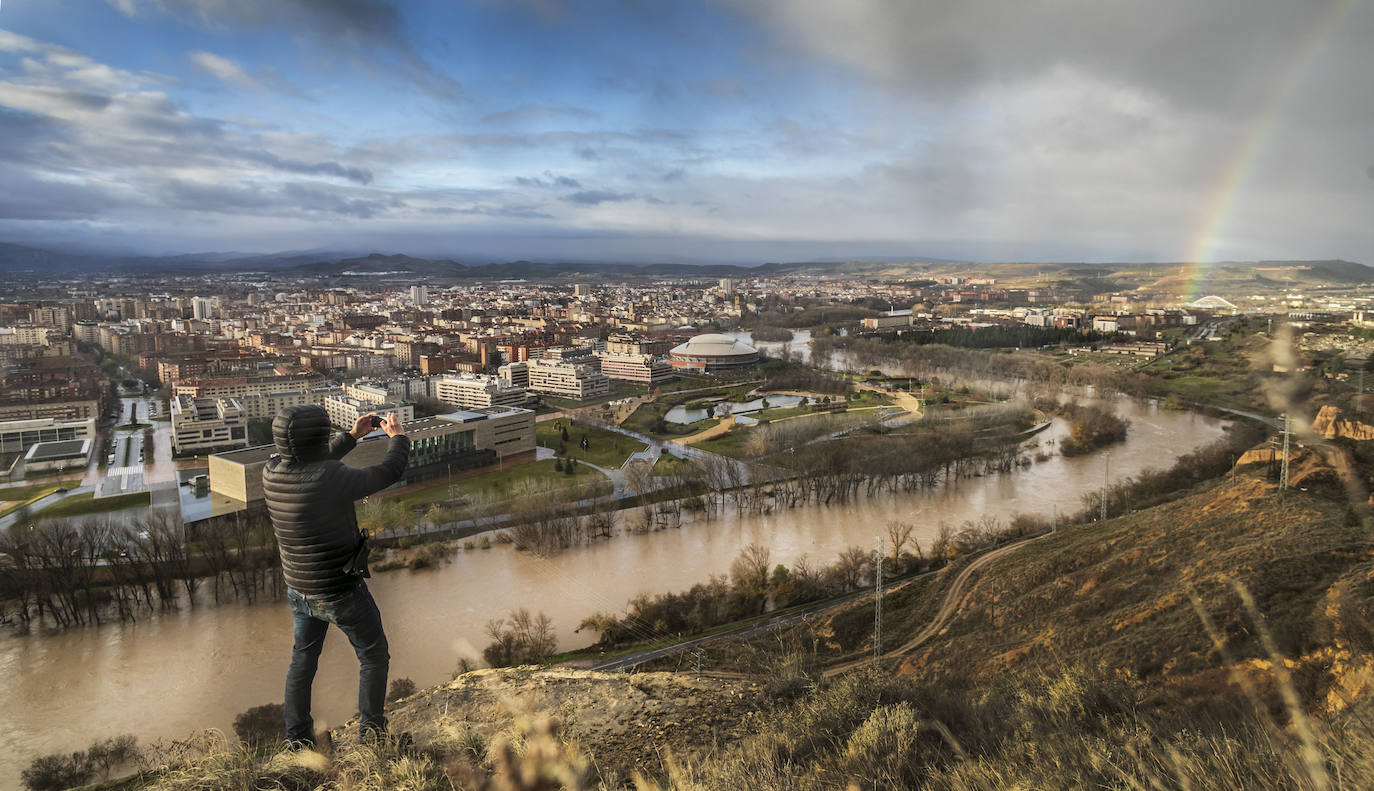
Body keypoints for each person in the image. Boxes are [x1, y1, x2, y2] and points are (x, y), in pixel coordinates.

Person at [261, 404, 409, 747]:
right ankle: (371, 736)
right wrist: (397, 437)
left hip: (299, 589)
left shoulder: (271, 471)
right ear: (316, 439)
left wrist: (352, 437)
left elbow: (307, 461)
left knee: (302, 661)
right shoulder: (331, 478)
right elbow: (388, 472)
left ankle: (297, 740)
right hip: (340, 589)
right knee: (373, 655)